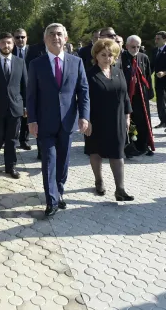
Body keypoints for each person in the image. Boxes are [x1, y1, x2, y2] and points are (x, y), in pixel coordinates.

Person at [27, 23, 90, 217]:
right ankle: (51, 200)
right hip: (45, 123)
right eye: (51, 34)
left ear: (66, 38)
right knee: (49, 160)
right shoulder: (36, 64)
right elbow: (31, 95)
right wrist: (32, 120)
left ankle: (59, 191)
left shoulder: (76, 62)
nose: (56, 37)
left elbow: (83, 91)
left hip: (68, 122)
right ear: (45, 39)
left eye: (59, 34)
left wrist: (84, 116)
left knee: (63, 161)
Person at [85, 39, 134, 200]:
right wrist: (86, 119)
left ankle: (120, 189)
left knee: (118, 153)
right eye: (103, 55)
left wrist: (127, 115)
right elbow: (83, 99)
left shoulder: (118, 72)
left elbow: (125, 95)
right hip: (96, 120)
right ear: (96, 56)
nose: (107, 58)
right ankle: (99, 181)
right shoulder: (89, 74)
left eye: (110, 55)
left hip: (118, 119)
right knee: (96, 150)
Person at [0, 33, 27, 179]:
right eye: (3, 42)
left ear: (13, 44)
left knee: (12, 138)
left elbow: (25, 86)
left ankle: (11, 166)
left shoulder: (20, 62)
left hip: (15, 107)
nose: (6, 45)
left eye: (9, 43)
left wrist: (26, 106)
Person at [121, 36, 154, 157]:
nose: (135, 49)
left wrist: (150, 93)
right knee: (128, 121)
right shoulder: (121, 58)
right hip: (127, 95)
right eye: (133, 47)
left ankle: (144, 145)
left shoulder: (143, 57)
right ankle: (129, 147)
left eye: (138, 47)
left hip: (141, 95)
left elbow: (148, 76)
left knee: (143, 121)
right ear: (126, 46)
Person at [12, 28, 31, 150]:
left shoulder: (32, 51)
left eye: (23, 37)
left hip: (30, 87)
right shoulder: (9, 50)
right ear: (14, 39)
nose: (20, 40)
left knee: (27, 114)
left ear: (26, 38)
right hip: (14, 87)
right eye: (18, 37)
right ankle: (11, 138)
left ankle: (24, 139)